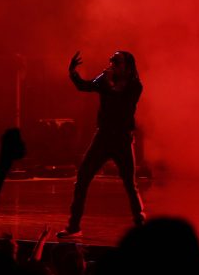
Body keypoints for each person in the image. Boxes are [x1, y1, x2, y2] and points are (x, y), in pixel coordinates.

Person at [57, 50, 145, 238]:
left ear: (127, 67)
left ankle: (141, 224)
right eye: (111, 60)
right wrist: (73, 72)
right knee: (82, 179)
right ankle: (74, 226)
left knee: (130, 184)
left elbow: (121, 103)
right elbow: (84, 86)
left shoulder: (134, 85)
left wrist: (109, 82)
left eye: (117, 62)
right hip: (103, 137)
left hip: (122, 139)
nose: (112, 64)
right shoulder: (105, 80)